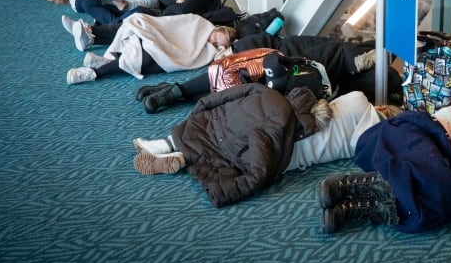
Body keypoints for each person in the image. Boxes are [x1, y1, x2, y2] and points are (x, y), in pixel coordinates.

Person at [129, 84, 401, 208]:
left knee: (224, 126)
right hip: (288, 154)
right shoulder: (366, 139)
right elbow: (258, 175)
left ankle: (170, 146)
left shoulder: (357, 99)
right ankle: (184, 157)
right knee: (235, 157)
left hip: (274, 116)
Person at [316, 102, 451, 234]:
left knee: (448, 199)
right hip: (417, 131)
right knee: (447, 187)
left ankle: (357, 205)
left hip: (427, 149)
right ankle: (349, 186)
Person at [135, 33, 393, 113]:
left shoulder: (345, 64)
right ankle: (174, 91)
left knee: (236, 90)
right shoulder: (338, 52)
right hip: (280, 58)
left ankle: (173, 90)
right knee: (233, 76)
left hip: (287, 73)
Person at [65, 12, 236, 85]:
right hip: (160, 39)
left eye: (220, 44)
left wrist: (220, 49)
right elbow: (173, 24)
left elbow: (193, 56)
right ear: (219, 29)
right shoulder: (199, 23)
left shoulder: (211, 50)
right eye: (219, 38)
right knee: (139, 58)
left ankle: (105, 63)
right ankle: (94, 73)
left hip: (171, 56)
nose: (216, 43)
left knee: (142, 64)